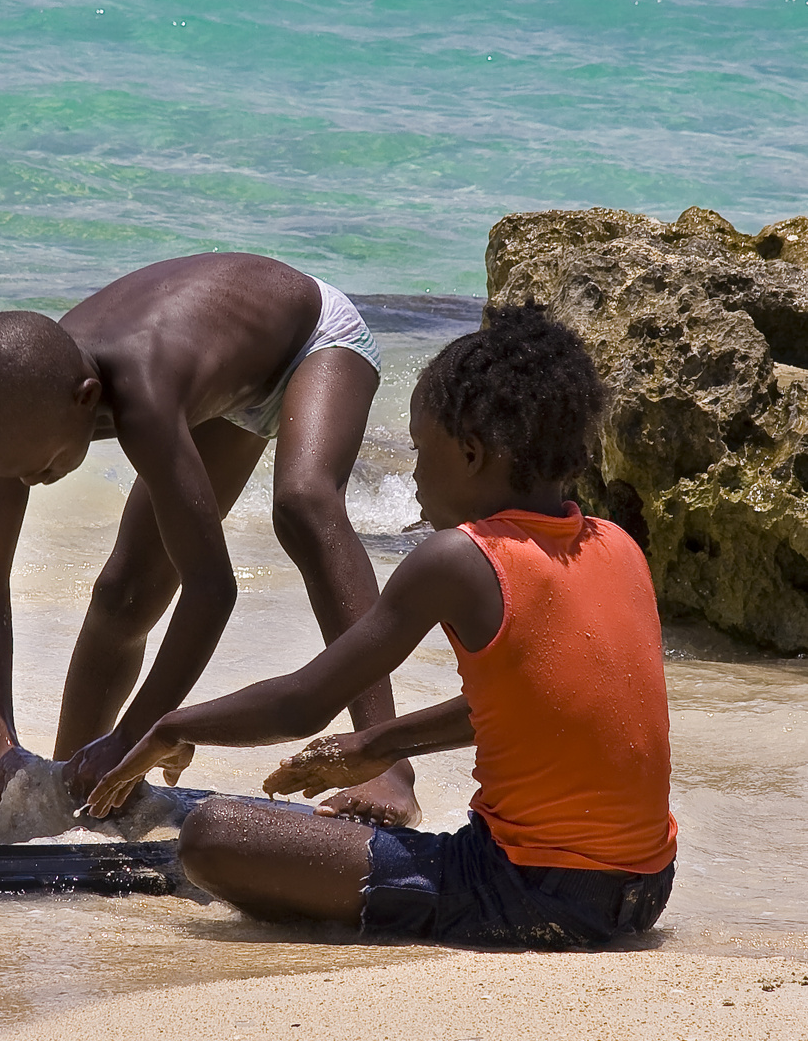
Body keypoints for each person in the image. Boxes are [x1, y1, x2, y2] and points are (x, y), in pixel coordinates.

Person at [84, 304, 678, 948]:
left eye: (423, 451)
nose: (414, 474)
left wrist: (168, 727)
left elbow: (303, 703)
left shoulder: (460, 558)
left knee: (213, 835)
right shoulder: (615, 545)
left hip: (524, 892)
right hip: (644, 889)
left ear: (473, 454)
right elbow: (537, 704)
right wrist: (376, 746)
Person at [0, 252, 418, 824]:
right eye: (7, 471)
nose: (25, 482)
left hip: (312, 343)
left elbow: (212, 591)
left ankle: (388, 765)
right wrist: (3, 749)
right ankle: (78, 782)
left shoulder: (138, 394)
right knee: (124, 594)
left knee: (303, 503)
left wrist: (144, 733)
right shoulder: (20, 394)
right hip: (222, 385)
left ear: (86, 398)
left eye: (37, 469)